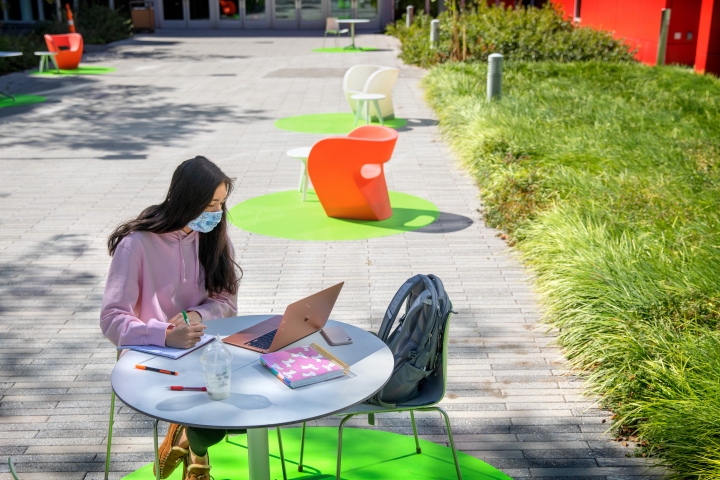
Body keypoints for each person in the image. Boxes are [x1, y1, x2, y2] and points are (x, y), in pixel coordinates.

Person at [101, 156, 242, 480]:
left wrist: (196, 313)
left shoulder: (213, 236)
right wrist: (164, 334)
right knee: (213, 416)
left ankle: (186, 442)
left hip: (204, 347)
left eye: (220, 204)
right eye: (209, 204)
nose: (216, 213)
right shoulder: (135, 244)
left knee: (239, 404)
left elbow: (226, 301)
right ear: (185, 201)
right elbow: (111, 318)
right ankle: (198, 458)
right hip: (150, 356)